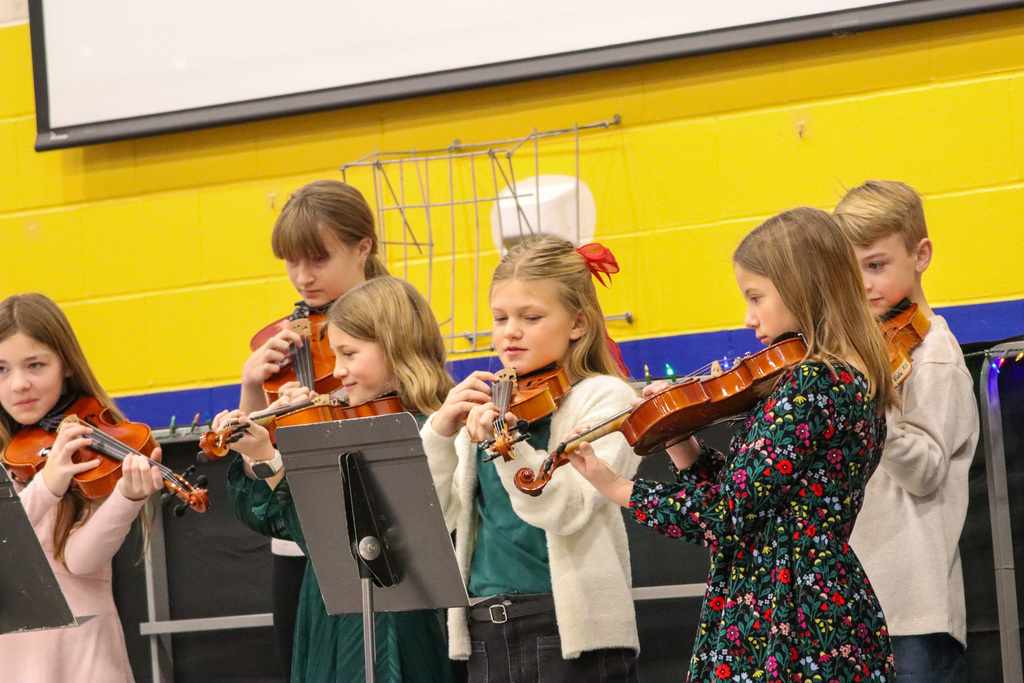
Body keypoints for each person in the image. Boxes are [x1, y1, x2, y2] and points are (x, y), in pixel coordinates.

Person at [569, 208, 898, 682]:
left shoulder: (813, 382)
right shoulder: (845, 378)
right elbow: (757, 500)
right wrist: (683, 445)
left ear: (802, 286)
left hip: (789, 617)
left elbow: (727, 515)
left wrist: (620, 487)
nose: (748, 318)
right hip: (797, 600)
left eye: (756, 297)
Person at [421, 235, 640, 682]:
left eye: (531, 317)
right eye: (500, 318)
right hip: (485, 623)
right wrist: (442, 432)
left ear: (578, 323)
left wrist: (507, 445)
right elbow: (434, 517)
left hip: (566, 627)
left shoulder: (605, 398)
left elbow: (567, 509)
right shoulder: (491, 404)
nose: (510, 332)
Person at [219, 276, 455, 682]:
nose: (338, 371)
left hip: (403, 619)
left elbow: (359, 541)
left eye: (348, 354)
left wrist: (275, 461)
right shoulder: (341, 423)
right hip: (332, 611)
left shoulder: (435, 431)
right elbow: (273, 520)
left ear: (397, 348)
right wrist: (268, 452)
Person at [238, 178, 388, 675]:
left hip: (375, 527)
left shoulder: (393, 318)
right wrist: (253, 385)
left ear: (362, 246)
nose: (302, 277)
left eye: (318, 259)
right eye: (291, 261)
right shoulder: (288, 337)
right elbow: (263, 441)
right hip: (295, 537)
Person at [835, 180, 978, 683]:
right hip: (861, 604)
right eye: (852, 272)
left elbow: (924, 472)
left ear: (921, 255)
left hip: (914, 610)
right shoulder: (867, 350)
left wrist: (875, 405)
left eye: (876, 265)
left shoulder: (935, 355)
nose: (865, 285)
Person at [0, 293, 164, 683]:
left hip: (88, 658)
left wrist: (125, 498)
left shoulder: (90, 437)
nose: (19, 384)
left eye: (35, 365)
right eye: (1, 369)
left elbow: (81, 564)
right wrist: (48, 486)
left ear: (67, 365)